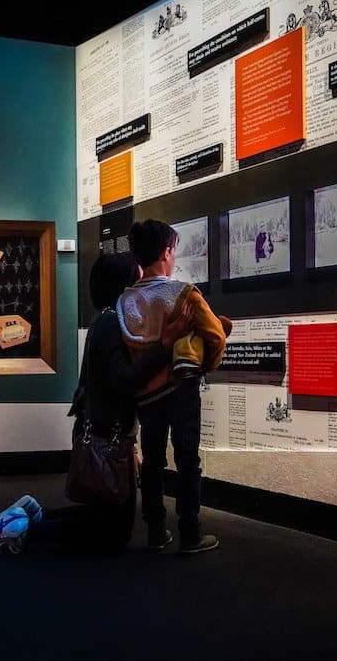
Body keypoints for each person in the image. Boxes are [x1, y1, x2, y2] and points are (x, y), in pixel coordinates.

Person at [0, 252, 193, 555]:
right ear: (124, 283)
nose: (141, 288)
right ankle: (25, 527)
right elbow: (123, 381)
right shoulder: (114, 322)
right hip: (107, 437)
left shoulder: (105, 320)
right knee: (111, 533)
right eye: (137, 280)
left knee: (108, 522)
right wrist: (166, 345)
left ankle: (34, 514)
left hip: (107, 433)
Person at [117, 220, 227, 554]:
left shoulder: (125, 301)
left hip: (146, 394)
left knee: (152, 461)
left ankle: (154, 531)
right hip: (181, 387)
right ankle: (190, 533)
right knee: (186, 459)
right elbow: (215, 335)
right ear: (167, 251)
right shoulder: (183, 293)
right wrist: (207, 364)